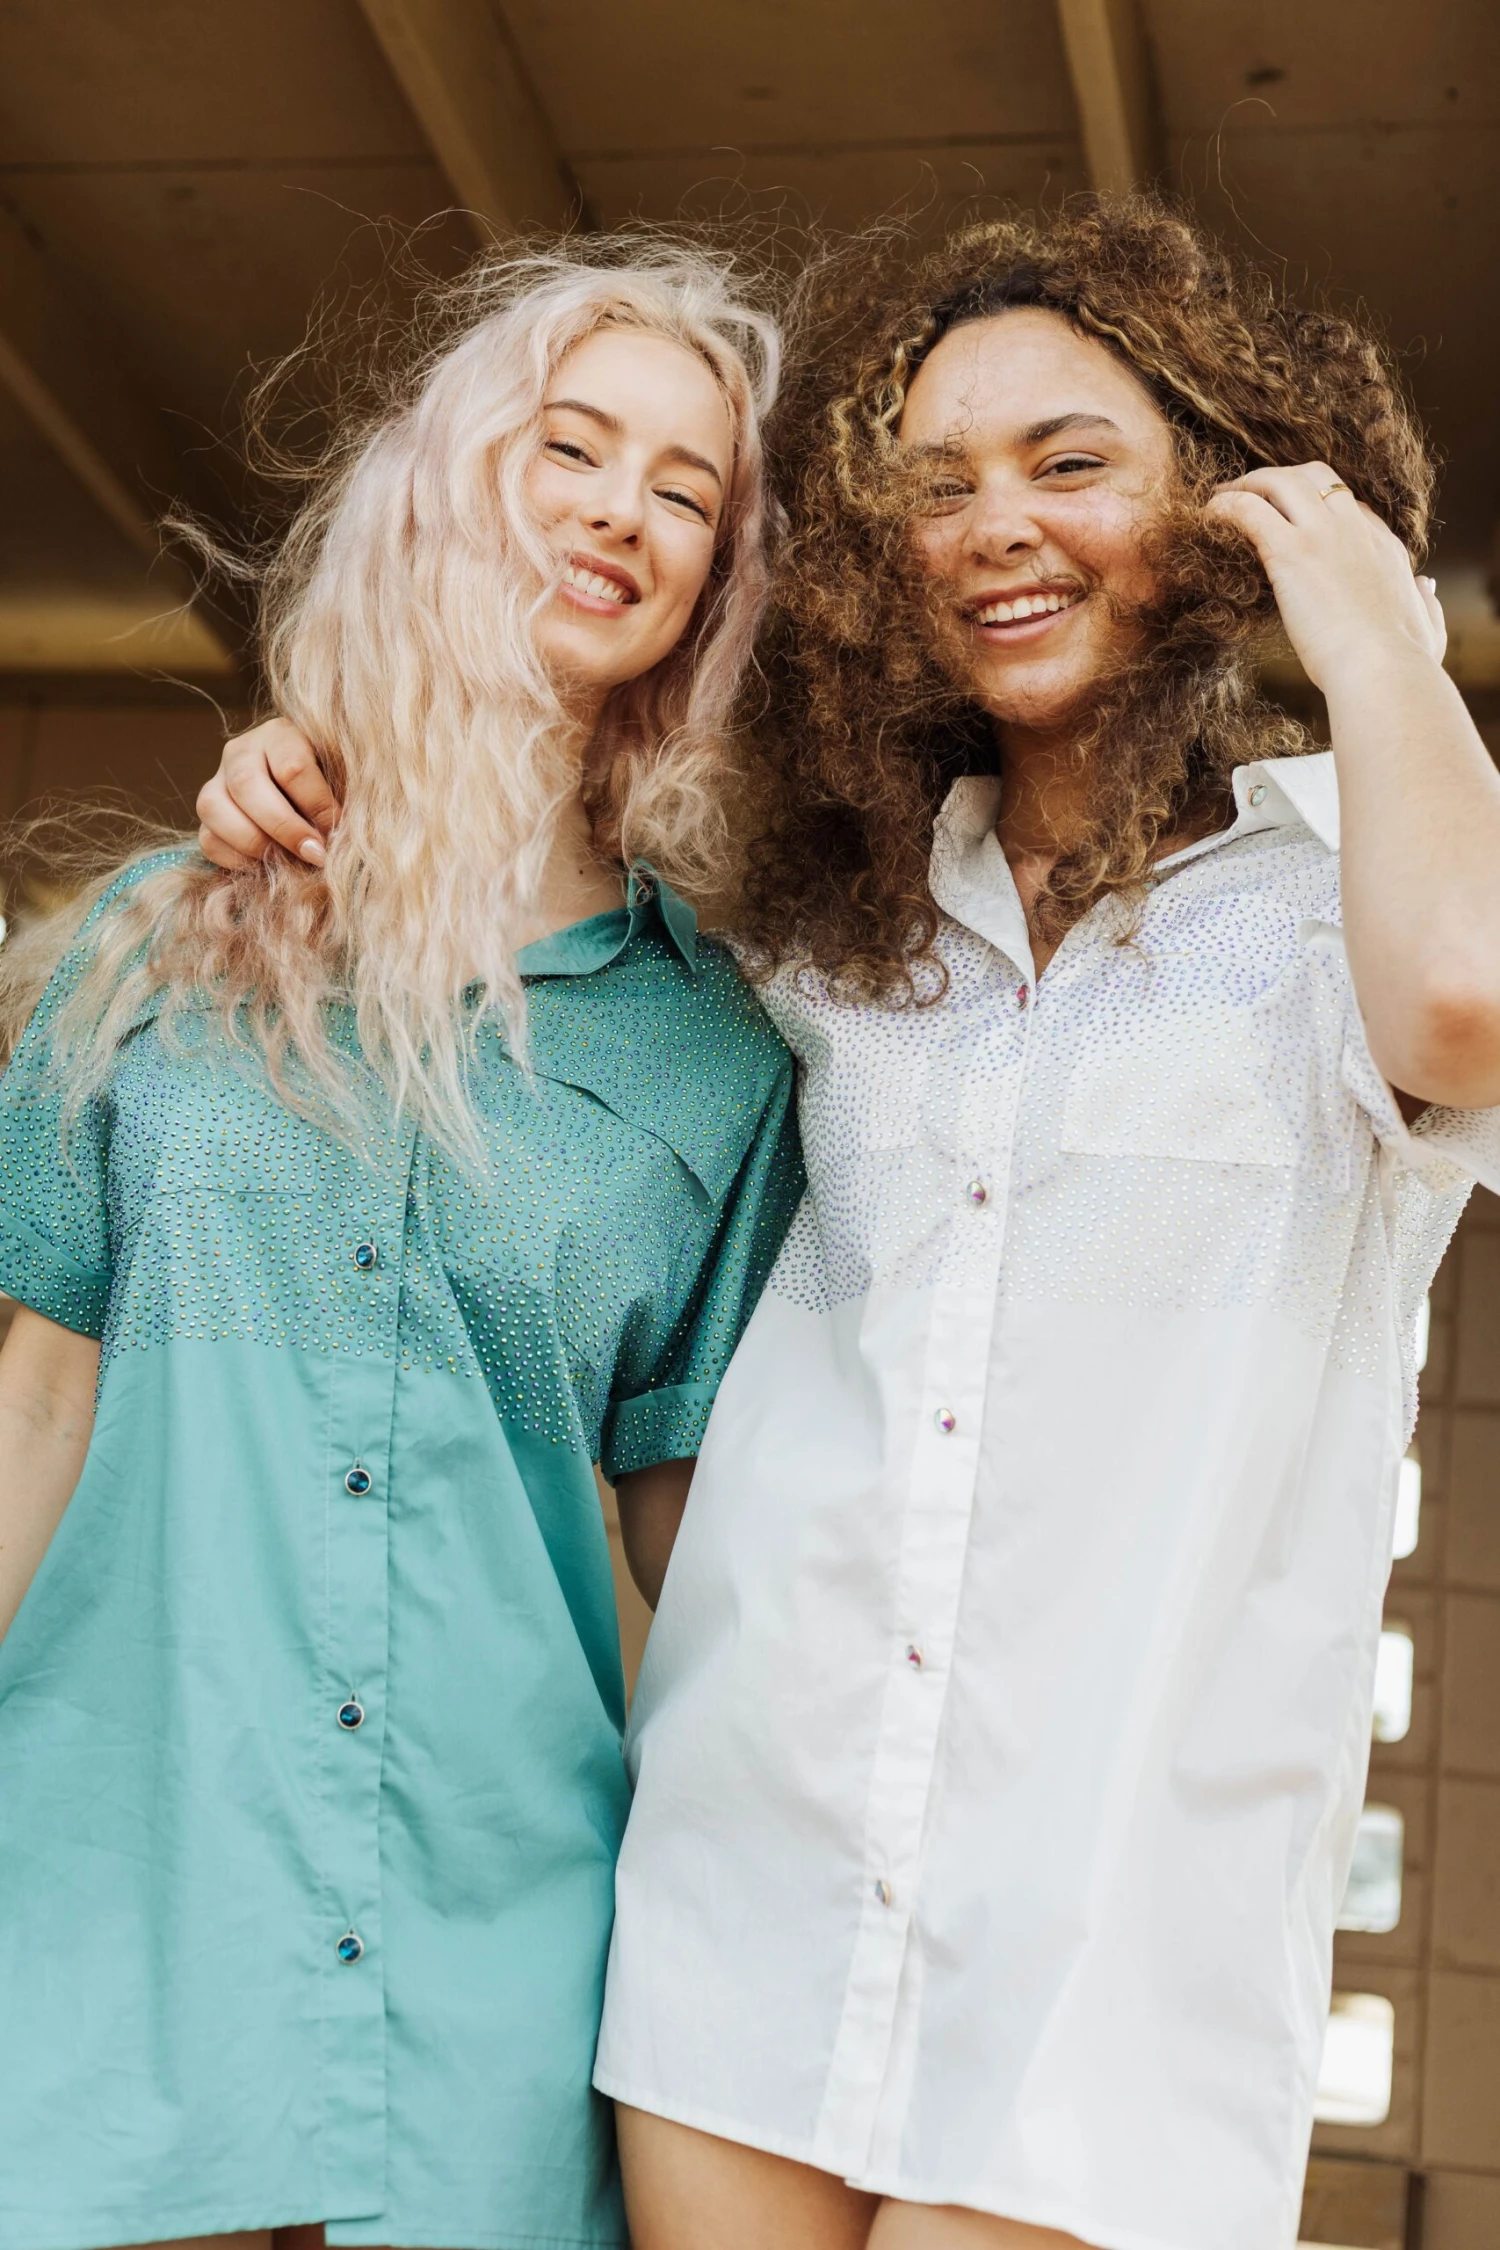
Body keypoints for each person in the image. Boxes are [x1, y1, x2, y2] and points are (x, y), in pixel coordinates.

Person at [196, 202, 1500, 2250]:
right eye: (935, 486)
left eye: (1072, 462)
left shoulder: (1347, 892)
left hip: (1106, 1980)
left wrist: (1372, 626)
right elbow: (520, 849)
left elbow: (1466, 1000)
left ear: (1230, 494)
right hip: (747, 1908)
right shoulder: (824, 933)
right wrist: (316, 765)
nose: (996, 522)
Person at [0, 242, 802, 2250]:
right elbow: (32, 1404)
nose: (626, 506)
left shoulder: (718, 1060)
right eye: (575, 446)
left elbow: (690, 1568)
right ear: (451, 481)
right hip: (113, 1913)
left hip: (496, 1971)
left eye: (686, 491)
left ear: (711, 586)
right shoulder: (158, 947)